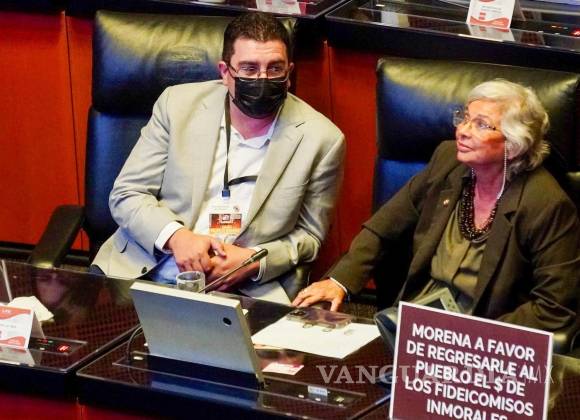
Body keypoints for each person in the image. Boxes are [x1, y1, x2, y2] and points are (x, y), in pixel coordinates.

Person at [91, 12, 345, 304]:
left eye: (274, 68)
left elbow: (309, 237)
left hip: (241, 290)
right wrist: (177, 237)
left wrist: (253, 260)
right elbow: (127, 194)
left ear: (289, 73)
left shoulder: (321, 139)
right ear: (225, 72)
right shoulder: (177, 106)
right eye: (249, 68)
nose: (262, 79)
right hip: (144, 272)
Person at [293, 79, 579, 331]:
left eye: (481, 124)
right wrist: (339, 282)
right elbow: (383, 228)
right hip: (415, 319)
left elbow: (554, 308)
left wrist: (480, 337)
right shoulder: (448, 160)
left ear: (514, 144)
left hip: (484, 334)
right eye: (464, 118)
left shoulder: (546, 204)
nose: (463, 131)